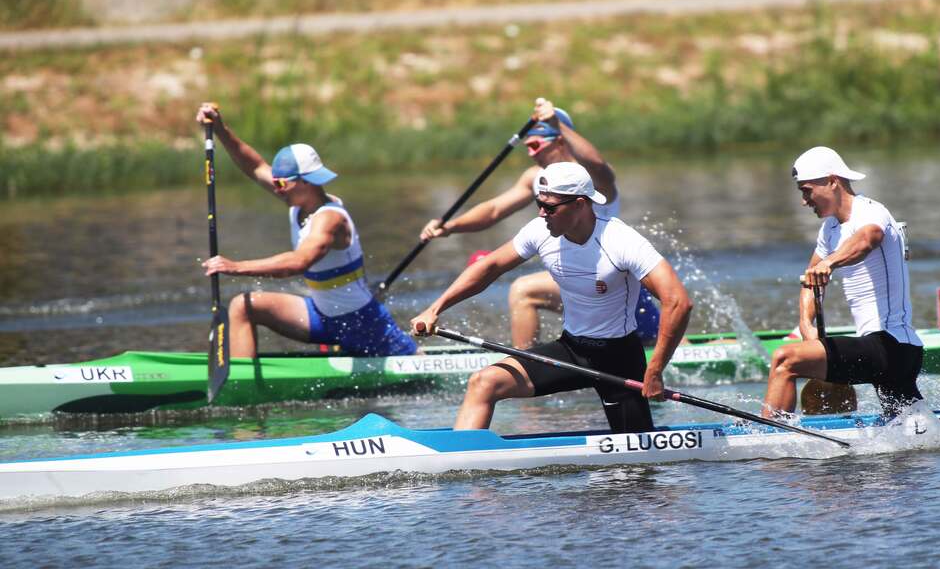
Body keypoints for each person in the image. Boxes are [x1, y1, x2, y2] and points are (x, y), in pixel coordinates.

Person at [410, 161, 691, 432]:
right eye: (539, 204)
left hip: (619, 359)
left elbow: (678, 301)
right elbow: (489, 267)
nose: (542, 213)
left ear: (580, 204)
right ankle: (463, 462)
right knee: (484, 382)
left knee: (637, 467)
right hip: (570, 350)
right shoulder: (540, 232)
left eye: (549, 206)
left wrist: (654, 371)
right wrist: (434, 309)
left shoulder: (621, 241)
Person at [419, 97, 659, 348]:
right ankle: (527, 369)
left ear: (560, 140)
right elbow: (494, 210)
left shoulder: (589, 178)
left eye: (535, 144)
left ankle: (524, 366)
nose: (530, 152)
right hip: (575, 284)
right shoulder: (537, 178)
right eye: (527, 146)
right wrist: (450, 227)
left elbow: (600, 166)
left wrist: (558, 123)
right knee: (525, 290)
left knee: (523, 290)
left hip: (611, 284)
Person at [195, 102, 417, 359]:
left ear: (305, 182)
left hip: (360, 322)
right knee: (242, 306)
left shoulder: (330, 220)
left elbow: (299, 262)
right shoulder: (297, 200)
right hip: (320, 316)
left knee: (413, 361)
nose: (276, 187)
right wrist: (220, 128)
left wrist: (235, 267)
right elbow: (255, 166)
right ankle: (240, 381)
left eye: (281, 182)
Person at [761, 146, 923, 420]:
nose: (804, 200)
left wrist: (830, 263)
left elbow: (867, 240)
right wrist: (805, 325)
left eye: (807, 190)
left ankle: (767, 438)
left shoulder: (871, 212)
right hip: (882, 350)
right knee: (910, 427)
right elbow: (810, 279)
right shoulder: (830, 230)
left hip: (892, 345)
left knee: (784, 360)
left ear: (833, 182)